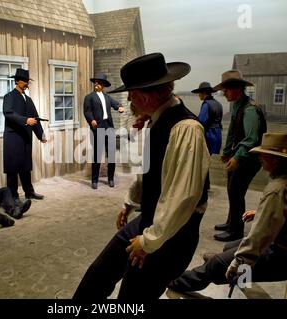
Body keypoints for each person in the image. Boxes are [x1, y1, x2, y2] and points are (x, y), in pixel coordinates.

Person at [73, 53, 210, 300]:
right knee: (97, 275)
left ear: (146, 96)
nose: (128, 99)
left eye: (132, 94)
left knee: (132, 297)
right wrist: (130, 201)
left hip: (172, 234)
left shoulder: (186, 129)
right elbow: (152, 173)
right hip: (150, 218)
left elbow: (183, 198)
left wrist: (148, 242)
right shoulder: (159, 119)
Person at [168, 132, 287, 293]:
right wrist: (260, 213)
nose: (260, 158)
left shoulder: (277, 189)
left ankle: (178, 281)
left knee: (216, 265)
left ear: (275, 159)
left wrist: (239, 262)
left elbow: (259, 235)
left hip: (282, 255)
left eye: (263, 155)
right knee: (231, 246)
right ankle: (227, 263)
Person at [213, 70, 267, 242]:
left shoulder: (250, 110)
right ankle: (231, 222)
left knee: (236, 191)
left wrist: (237, 157)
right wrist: (228, 152)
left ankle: (236, 231)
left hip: (249, 159)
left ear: (237, 89)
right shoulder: (237, 105)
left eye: (226, 90)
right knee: (232, 189)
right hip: (238, 156)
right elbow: (233, 132)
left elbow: (251, 139)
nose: (224, 93)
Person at [3, 68, 47, 201]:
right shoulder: (9, 97)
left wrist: (41, 135)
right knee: (13, 167)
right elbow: (8, 113)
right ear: (17, 81)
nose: (27, 83)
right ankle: (13, 195)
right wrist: (25, 120)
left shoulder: (28, 99)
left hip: (26, 136)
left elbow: (35, 117)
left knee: (26, 166)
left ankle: (29, 192)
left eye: (28, 81)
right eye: (24, 80)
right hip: (13, 136)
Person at [83, 74, 124, 189]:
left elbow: (116, 104)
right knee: (97, 154)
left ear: (103, 85)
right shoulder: (89, 97)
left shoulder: (107, 97)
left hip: (109, 127)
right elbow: (87, 112)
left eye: (99, 82)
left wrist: (119, 107)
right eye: (95, 82)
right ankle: (94, 180)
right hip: (98, 127)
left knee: (111, 154)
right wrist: (91, 120)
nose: (96, 84)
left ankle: (110, 178)